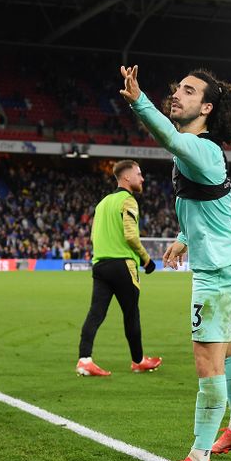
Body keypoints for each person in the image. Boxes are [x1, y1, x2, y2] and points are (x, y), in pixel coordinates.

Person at [120, 65, 231, 461]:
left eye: (188, 91)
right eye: (177, 87)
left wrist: (139, 102)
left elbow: (167, 135)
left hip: (217, 270)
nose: (177, 95)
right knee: (230, 345)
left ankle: (199, 459)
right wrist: (184, 235)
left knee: (207, 359)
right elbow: (207, 203)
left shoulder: (199, 148)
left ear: (205, 106)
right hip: (228, 260)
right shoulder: (198, 149)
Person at [76, 160, 162, 376]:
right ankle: (138, 361)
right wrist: (146, 260)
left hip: (100, 265)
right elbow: (131, 236)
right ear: (126, 177)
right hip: (123, 265)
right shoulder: (128, 200)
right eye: (139, 174)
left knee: (95, 313)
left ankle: (84, 359)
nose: (142, 179)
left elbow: (94, 235)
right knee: (131, 314)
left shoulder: (102, 203)